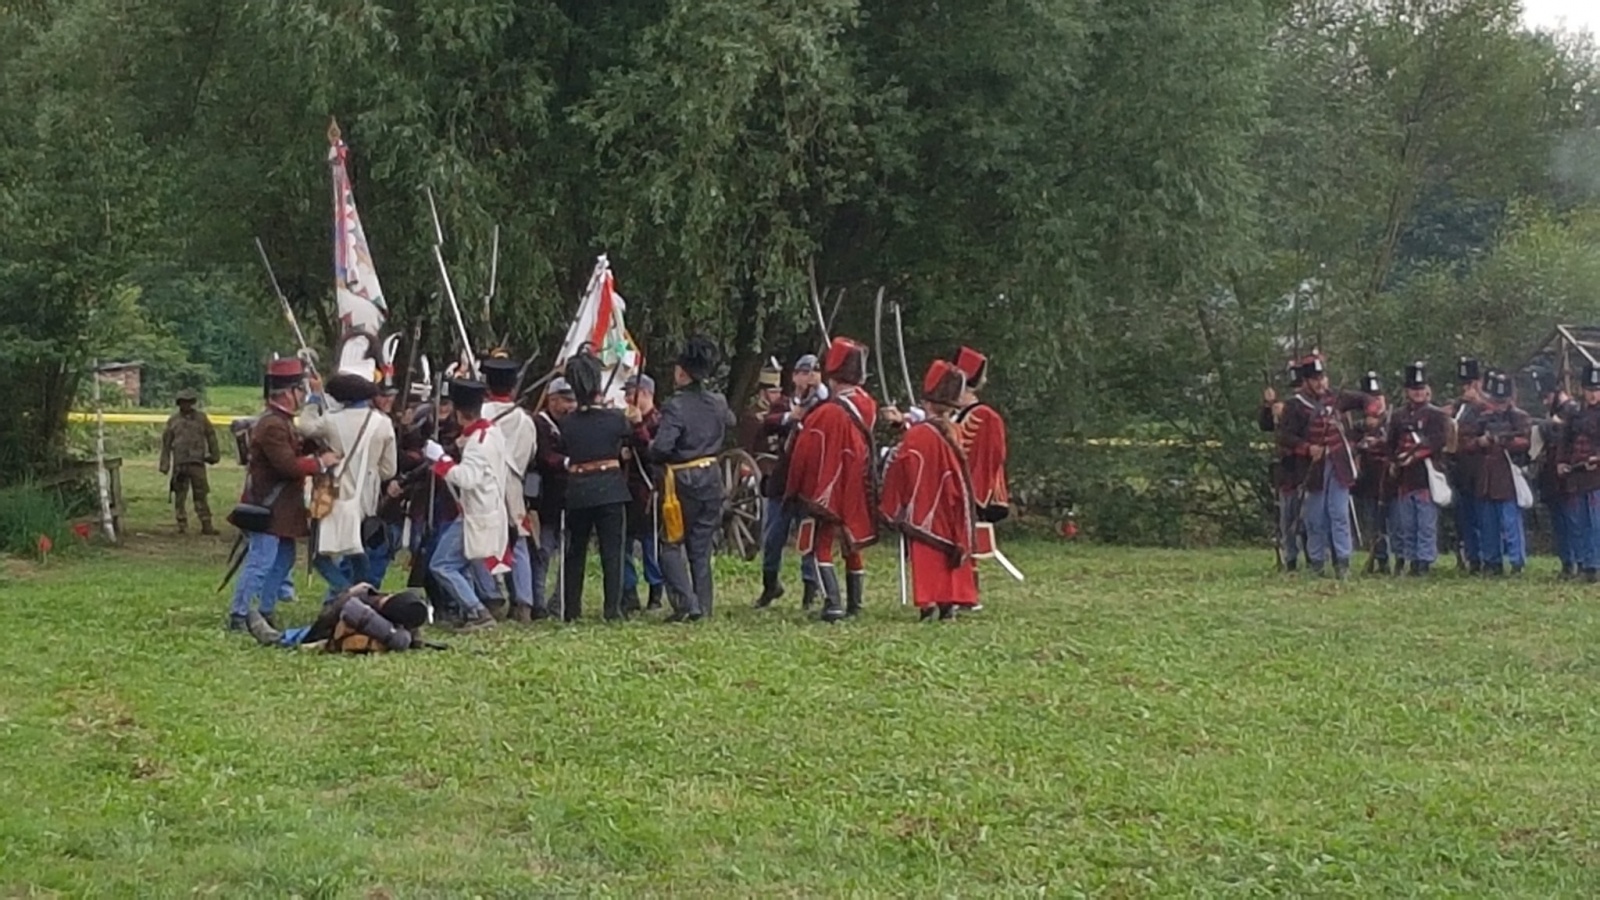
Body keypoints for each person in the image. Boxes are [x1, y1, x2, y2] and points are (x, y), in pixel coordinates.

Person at [228, 358, 341, 632]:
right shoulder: (272, 425)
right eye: (300, 390)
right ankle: (239, 614)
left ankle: (265, 609)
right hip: (268, 506)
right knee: (261, 561)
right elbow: (287, 466)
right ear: (288, 392)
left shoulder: (282, 422)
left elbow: (296, 449)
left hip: (282, 508)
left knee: (283, 559)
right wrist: (321, 462)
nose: (302, 395)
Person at [785, 336, 879, 620]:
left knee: (819, 545)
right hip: (857, 482)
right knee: (850, 543)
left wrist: (796, 486)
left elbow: (807, 451)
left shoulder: (828, 412)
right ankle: (855, 603)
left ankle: (833, 603)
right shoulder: (868, 404)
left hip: (828, 485)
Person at [879, 359, 979, 621]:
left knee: (927, 554)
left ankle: (928, 604)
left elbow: (904, 465)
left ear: (926, 403)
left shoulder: (919, 434)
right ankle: (949, 604)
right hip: (950, 503)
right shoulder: (954, 430)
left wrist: (889, 458)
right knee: (947, 552)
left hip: (924, 504)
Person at [646, 337, 735, 622]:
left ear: (682, 372)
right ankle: (703, 606)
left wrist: (648, 445)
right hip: (712, 476)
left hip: (682, 482)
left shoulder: (676, 405)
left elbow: (662, 448)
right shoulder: (718, 402)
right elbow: (730, 421)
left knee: (671, 544)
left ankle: (687, 604)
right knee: (701, 545)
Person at [1275, 354, 1376, 580]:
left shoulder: (1337, 398)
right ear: (1306, 381)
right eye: (1315, 379)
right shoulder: (1295, 406)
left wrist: (1371, 415)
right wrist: (1307, 448)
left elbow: (1368, 400)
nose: (1320, 383)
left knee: (1339, 514)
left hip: (1338, 464)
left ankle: (1343, 561)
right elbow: (1284, 437)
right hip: (1313, 469)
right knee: (1315, 518)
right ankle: (1317, 561)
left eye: (1322, 378)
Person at [298, 372, 398, 598]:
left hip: (333, 493)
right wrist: (369, 474)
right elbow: (389, 470)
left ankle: (348, 592)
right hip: (366, 497)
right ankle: (361, 595)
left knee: (319, 554)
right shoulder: (383, 423)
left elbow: (305, 427)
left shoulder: (332, 420)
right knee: (357, 551)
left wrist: (314, 398)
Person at [556, 353, 635, 622]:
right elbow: (631, 438)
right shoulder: (616, 418)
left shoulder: (567, 422)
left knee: (575, 552)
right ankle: (613, 609)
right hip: (610, 488)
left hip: (578, 490)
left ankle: (572, 610)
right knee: (612, 553)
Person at [424, 378, 506, 631]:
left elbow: (466, 478)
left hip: (475, 514)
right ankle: (471, 609)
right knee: (461, 563)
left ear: (459, 413)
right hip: (483, 509)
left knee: (442, 565)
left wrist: (441, 459)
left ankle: (476, 610)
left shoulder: (477, 444)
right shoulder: (491, 433)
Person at [755, 353, 823, 609]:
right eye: (804, 373)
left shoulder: (823, 405)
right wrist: (790, 417)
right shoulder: (784, 404)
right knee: (773, 538)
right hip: (782, 483)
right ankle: (770, 584)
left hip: (808, 484)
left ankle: (810, 588)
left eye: (813, 373)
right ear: (795, 377)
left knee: (808, 538)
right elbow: (768, 424)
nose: (808, 378)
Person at [481, 356, 541, 623]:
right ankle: (524, 602)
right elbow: (531, 453)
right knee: (519, 545)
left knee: (483, 541)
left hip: (484, 484)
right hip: (514, 486)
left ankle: (492, 597)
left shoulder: (480, 413)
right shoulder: (524, 420)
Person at [1386, 362, 1449, 576]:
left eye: (1421, 388)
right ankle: (1411, 559)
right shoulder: (1398, 416)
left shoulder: (1436, 415)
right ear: (1408, 391)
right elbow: (1391, 444)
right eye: (1414, 389)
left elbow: (1437, 441)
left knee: (1425, 523)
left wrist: (1413, 456)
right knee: (1407, 523)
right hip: (1405, 478)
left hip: (1425, 475)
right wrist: (1396, 461)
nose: (1418, 393)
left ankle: (1424, 561)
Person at [245, 584, 435, 653]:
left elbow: (345, 608)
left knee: (301, 635)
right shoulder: (401, 630)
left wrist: (355, 592)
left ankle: (276, 638)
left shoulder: (379, 623)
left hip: (327, 636)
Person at [1467, 370, 1531, 575]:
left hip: (1508, 477)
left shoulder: (1519, 417)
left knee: (1511, 523)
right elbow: (1467, 443)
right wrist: (1481, 442)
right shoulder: (1482, 418)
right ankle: (1491, 561)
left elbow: (1525, 442)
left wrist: (1503, 441)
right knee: (1488, 525)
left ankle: (1516, 562)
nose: (1500, 404)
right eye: (1497, 400)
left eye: (1503, 400)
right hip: (1486, 478)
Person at [530, 378, 576, 617]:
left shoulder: (573, 424)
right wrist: (567, 462)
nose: (571, 406)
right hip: (545, 499)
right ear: (552, 400)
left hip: (570, 497)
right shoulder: (539, 423)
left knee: (568, 554)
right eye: (566, 400)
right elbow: (544, 456)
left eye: (572, 400)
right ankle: (537, 602)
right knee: (543, 552)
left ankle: (560, 601)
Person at [622, 373, 664, 612]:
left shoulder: (659, 422)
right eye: (627, 395)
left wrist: (638, 426)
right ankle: (629, 592)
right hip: (627, 490)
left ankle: (656, 591)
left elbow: (652, 454)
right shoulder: (624, 422)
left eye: (632, 394)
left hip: (649, 491)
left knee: (651, 545)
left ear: (646, 394)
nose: (628, 399)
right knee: (624, 544)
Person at [1529, 368, 1576, 579]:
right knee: (1559, 522)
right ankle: (1567, 562)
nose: (1545, 401)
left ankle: (1578, 562)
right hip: (1551, 478)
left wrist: (1548, 426)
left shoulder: (1572, 411)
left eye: (1547, 396)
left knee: (1572, 521)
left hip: (1568, 478)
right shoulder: (1554, 413)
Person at [159, 387, 221, 535]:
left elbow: (211, 436)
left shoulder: (201, 419)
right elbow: (166, 443)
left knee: (201, 494)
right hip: (180, 463)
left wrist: (214, 455)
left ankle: (206, 523)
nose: (186, 405)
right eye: (183, 402)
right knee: (179, 494)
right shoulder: (173, 421)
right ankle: (181, 523)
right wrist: (164, 463)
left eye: (188, 402)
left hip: (197, 462)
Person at [1559, 364, 1600, 583]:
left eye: (1597, 389)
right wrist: (1562, 462)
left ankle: (1594, 566)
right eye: (1589, 389)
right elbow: (1565, 441)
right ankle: (1585, 564)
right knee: (1579, 523)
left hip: (1597, 477)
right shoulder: (1575, 414)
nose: (1593, 394)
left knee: (1596, 523)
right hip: (1577, 475)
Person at [1261, 361, 1302, 570]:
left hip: (1305, 470)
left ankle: (1315, 558)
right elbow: (1266, 425)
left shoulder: (1305, 407)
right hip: (1287, 471)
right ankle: (1291, 558)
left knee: (1309, 520)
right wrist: (1268, 407)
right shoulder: (1284, 406)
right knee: (1287, 518)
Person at [1350, 371, 1392, 574]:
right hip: (1367, 483)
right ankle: (1380, 558)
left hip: (1391, 481)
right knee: (1373, 523)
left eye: (1378, 397)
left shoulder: (1394, 423)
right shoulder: (1357, 428)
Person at [1448, 357, 1486, 573]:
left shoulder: (1486, 406)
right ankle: (1470, 557)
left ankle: (1484, 556)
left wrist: (1479, 402)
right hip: (1460, 468)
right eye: (1464, 384)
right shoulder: (1458, 406)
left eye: (1471, 383)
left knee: (1482, 517)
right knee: (1463, 517)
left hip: (1480, 469)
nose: (1467, 388)